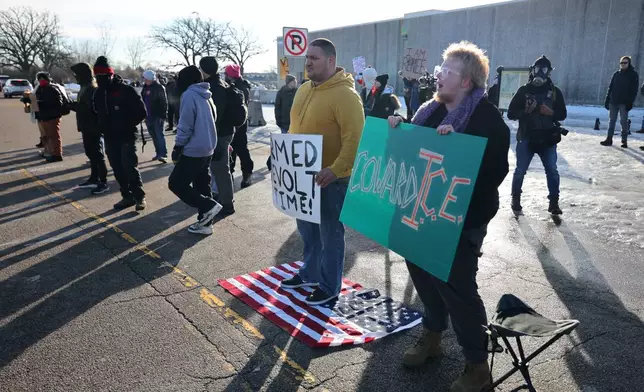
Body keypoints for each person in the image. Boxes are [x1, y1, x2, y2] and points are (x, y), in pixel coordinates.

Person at [388, 41, 510, 392]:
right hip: (419, 213)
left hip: (461, 222)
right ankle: (433, 335)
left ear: (467, 82)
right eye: (440, 69)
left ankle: (477, 365)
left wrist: (455, 151)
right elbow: (411, 156)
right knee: (422, 275)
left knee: (457, 288)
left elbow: (492, 174)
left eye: (447, 72)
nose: (438, 76)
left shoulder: (488, 120)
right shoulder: (429, 110)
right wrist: (399, 130)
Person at [279, 38, 365, 306]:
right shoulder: (304, 89)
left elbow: (355, 140)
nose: (308, 63)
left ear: (331, 61)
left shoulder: (346, 96)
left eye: (314, 58)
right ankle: (310, 274)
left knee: (330, 236)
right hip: (303, 179)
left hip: (331, 180)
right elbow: (294, 131)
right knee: (308, 233)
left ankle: (329, 287)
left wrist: (336, 169)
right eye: (307, 58)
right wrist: (282, 159)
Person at [507, 55, 567, 215]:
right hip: (527, 136)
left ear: (549, 72)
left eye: (544, 69)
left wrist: (551, 112)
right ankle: (515, 200)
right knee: (520, 170)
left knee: (552, 170)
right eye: (537, 69)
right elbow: (511, 113)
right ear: (532, 71)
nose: (540, 72)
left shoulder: (555, 92)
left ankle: (554, 203)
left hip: (547, 138)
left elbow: (563, 114)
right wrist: (526, 111)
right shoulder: (524, 91)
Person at [168, 65, 222, 235]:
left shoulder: (189, 95)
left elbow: (185, 125)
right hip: (208, 147)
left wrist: (178, 146)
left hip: (193, 149)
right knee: (201, 185)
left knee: (176, 183)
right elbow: (214, 119)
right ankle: (206, 223)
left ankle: (208, 206)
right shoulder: (207, 95)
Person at [92, 56, 148, 211]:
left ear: (111, 74)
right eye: (98, 77)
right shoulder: (98, 93)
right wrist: (100, 127)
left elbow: (141, 112)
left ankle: (139, 196)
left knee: (129, 166)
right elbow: (96, 112)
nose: (101, 79)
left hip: (127, 135)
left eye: (104, 76)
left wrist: (126, 124)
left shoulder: (126, 90)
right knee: (117, 167)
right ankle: (127, 196)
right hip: (109, 137)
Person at [199, 56, 236, 216]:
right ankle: (223, 198)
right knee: (219, 168)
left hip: (219, 134)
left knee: (221, 169)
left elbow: (216, 115)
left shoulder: (214, 87)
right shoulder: (221, 84)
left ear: (204, 70)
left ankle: (227, 204)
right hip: (224, 132)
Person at [70, 62, 109, 194]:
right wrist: (71, 105)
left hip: (94, 127)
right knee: (91, 153)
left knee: (97, 154)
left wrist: (77, 107)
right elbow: (81, 106)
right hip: (86, 126)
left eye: (77, 74)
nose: (76, 77)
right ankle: (94, 177)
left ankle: (103, 181)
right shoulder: (84, 88)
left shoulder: (92, 88)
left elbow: (93, 109)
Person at [225, 64, 254, 188]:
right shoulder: (237, 86)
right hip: (233, 124)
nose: (224, 76)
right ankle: (229, 174)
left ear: (230, 76)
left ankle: (247, 174)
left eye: (226, 74)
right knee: (231, 151)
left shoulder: (240, 88)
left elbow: (238, 107)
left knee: (241, 149)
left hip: (239, 124)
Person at [601, 56, 640, 148]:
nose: (623, 65)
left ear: (629, 63)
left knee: (623, 121)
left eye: (625, 63)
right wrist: (607, 99)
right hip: (613, 101)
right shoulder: (616, 74)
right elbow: (611, 87)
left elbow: (634, 90)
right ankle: (609, 139)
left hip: (624, 102)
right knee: (611, 121)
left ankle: (624, 140)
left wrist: (630, 102)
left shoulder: (633, 75)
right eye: (621, 63)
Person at [35, 72, 68, 163]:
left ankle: (57, 154)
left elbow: (58, 103)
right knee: (47, 136)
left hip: (53, 116)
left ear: (47, 79)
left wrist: (41, 102)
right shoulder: (40, 89)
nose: (41, 81)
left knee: (54, 135)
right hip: (44, 115)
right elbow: (35, 100)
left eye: (43, 79)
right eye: (40, 79)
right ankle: (50, 152)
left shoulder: (53, 89)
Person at [141, 70, 169, 162]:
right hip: (148, 117)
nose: (144, 80)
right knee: (153, 136)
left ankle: (163, 154)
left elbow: (164, 102)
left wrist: (163, 116)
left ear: (149, 78)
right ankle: (158, 153)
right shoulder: (145, 88)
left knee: (159, 135)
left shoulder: (159, 87)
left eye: (145, 78)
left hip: (157, 116)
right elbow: (143, 102)